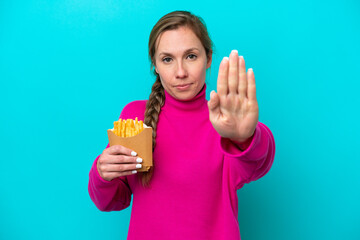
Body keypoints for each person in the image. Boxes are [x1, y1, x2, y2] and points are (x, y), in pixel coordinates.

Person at [88, 10, 275, 240]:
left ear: (208, 59)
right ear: (154, 65)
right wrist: (101, 174)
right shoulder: (135, 116)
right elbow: (111, 200)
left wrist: (245, 137)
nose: (180, 72)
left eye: (191, 56)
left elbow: (257, 164)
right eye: (167, 59)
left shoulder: (224, 122)